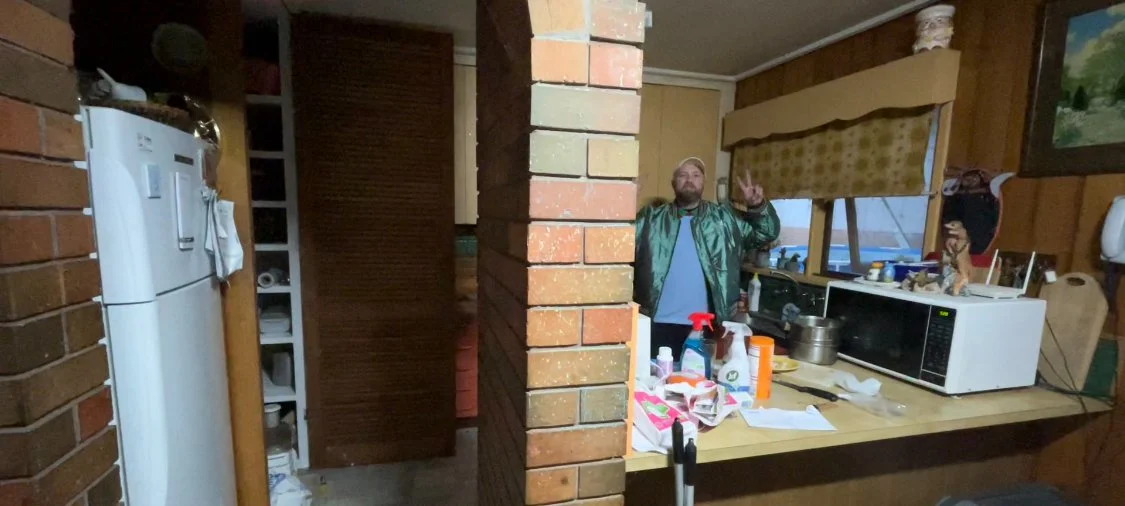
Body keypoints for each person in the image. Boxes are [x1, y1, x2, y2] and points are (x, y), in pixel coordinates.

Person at [634, 157, 780, 358]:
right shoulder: (651, 218)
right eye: (682, 175)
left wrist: (758, 207)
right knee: (656, 383)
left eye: (696, 175)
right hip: (656, 323)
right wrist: (624, 200)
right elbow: (616, 242)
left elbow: (766, 233)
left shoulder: (725, 219)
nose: (689, 180)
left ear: (703, 183)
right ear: (673, 183)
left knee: (703, 385)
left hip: (707, 326)